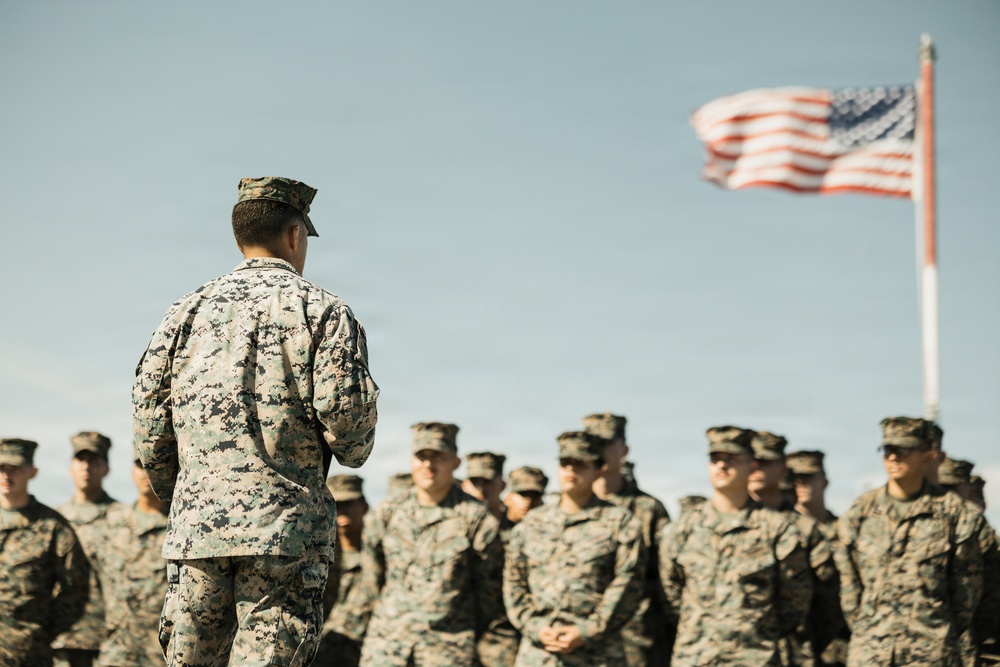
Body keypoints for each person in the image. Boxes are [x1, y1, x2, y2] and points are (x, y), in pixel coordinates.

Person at [132, 176, 379, 666]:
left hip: (198, 532)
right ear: (295, 236)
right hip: (284, 537)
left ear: (239, 237)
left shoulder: (184, 313)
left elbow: (149, 425)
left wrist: (189, 494)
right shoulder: (324, 312)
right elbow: (352, 435)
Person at [834, 416, 986, 666]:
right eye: (888, 450)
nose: (893, 457)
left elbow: (966, 593)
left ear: (927, 455)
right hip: (871, 653)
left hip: (932, 654)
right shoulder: (860, 512)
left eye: (903, 450)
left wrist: (934, 631)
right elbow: (849, 587)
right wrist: (869, 629)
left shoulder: (955, 514)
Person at [659, 426, 812, 666]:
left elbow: (795, 600)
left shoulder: (777, 529)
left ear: (751, 465)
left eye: (731, 459)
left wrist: (758, 633)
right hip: (695, 657)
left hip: (754, 659)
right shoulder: (683, 529)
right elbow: (672, 594)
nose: (721, 466)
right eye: (715, 459)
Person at [359, 422, 503, 666]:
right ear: (411, 461)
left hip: (447, 649)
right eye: (421, 457)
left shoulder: (476, 518)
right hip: (387, 645)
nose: (428, 464)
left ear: (456, 463)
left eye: (438, 456)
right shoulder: (387, 512)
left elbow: (488, 593)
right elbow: (373, 578)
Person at [504, 431, 645, 666]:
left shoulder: (620, 523)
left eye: (580, 464)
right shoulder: (531, 524)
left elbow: (628, 586)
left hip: (597, 654)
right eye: (565, 463)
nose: (571, 471)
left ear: (598, 468)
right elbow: (514, 585)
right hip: (539, 654)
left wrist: (587, 631)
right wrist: (536, 628)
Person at [583, 413, 671, 667]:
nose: (599, 451)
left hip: (637, 640)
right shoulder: (568, 511)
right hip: (581, 639)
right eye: (592, 444)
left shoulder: (649, 509)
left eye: (607, 443)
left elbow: (668, 581)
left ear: (624, 449)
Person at [750, 432, 837, 667]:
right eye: (752, 461)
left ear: (782, 468)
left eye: (765, 462)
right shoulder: (734, 524)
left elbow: (827, 600)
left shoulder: (804, 529)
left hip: (797, 652)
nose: (756, 468)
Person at [0, 438, 90, 666]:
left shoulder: (53, 527)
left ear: (32, 472)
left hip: (27, 654)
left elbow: (76, 588)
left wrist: (39, 630)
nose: (7, 476)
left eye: (16, 469)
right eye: (1, 467)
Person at [92, 447, 170, 666]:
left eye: (154, 465)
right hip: (114, 654)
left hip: (161, 655)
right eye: (140, 465)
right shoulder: (110, 522)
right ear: (131, 472)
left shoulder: (181, 526)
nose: (147, 472)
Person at [53, 431, 123, 667]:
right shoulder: (54, 520)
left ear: (106, 468)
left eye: (94, 460)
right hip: (62, 638)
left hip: (108, 640)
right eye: (80, 460)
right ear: (71, 467)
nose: (87, 467)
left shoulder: (123, 518)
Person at [786, 449, 848, 667]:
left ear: (825, 481)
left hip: (840, 645)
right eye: (795, 478)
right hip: (797, 647)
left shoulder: (846, 531)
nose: (801, 484)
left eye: (808, 477)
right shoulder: (784, 534)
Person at [314, 475, 370, 667]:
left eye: (349, 503)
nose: (342, 511)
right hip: (324, 652)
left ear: (364, 506)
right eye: (336, 504)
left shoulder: (378, 554)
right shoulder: (317, 556)